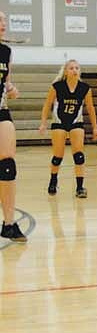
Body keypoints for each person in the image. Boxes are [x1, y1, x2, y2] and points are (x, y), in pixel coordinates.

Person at [39, 59, 97, 198]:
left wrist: (95, 128)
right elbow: (47, 105)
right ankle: (53, 180)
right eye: (71, 68)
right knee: (57, 156)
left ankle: (80, 188)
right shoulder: (57, 86)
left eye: (77, 68)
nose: (74, 70)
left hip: (76, 122)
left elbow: (90, 108)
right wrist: (43, 123)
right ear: (66, 71)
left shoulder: (85, 88)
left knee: (79, 156)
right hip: (59, 122)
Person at [0, 12, 25, 242]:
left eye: (5, 20)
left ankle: (8, 224)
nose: (4, 25)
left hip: (0, 109)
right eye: (0, 20)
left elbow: (6, 82)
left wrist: (11, 89)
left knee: (7, 162)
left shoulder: (6, 52)